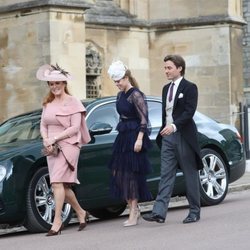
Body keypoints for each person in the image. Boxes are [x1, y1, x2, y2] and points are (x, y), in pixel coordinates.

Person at [142, 54, 203, 224]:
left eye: (169, 68)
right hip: (167, 137)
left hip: (183, 135)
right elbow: (166, 114)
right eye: (165, 68)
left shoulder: (190, 87)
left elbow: (189, 112)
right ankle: (159, 212)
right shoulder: (165, 89)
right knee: (165, 174)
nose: (166, 71)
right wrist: (165, 129)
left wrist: (174, 126)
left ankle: (194, 211)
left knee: (190, 174)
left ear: (179, 68)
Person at [37, 63, 91, 236]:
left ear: (64, 83)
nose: (54, 87)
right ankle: (81, 212)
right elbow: (43, 124)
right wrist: (46, 139)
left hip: (69, 144)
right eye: (51, 84)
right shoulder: (47, 103)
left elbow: (75, 128)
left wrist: (54, 138)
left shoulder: (73, 102)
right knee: (61, 185)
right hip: (51, 148)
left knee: (56, 183)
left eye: (57, 83)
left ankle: (57, 220)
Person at [107, 60, 152, 227]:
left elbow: (144, 119)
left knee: (131, 175)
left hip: (135, 135)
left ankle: (133, 210)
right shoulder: (120, 95)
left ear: (126, 78)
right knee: (117, 173)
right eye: (115, 81)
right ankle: (134, 207)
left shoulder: (136, 94)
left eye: (119, 80)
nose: (117, 84)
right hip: (123, 136)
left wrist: (140, 138)